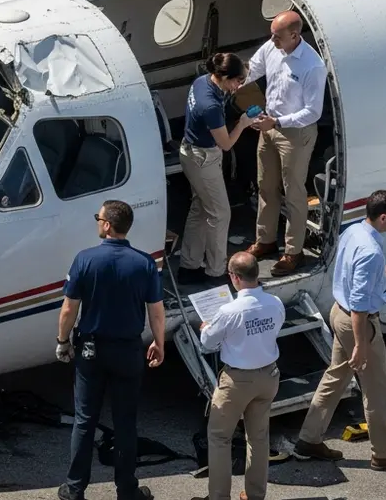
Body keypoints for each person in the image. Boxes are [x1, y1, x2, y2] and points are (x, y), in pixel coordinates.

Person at [293, 189, 386, 472]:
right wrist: (362, 344)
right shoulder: (372, 251)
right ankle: (384, 454)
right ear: (384, 217)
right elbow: (361, 305)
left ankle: (309, 439)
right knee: (377, 390)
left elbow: (357, 268)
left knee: (336, 376)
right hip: (358, 322)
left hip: (338, 313)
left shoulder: (355, 231)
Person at [55, 200, 166, 500]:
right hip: (128, 350)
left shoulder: (85, 260)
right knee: (125, 422)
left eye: (98, 218)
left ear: (106, 225)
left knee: (85, 419)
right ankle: (127, 490)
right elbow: (156, 311)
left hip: (91, 349)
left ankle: (74, 488)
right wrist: (159, 342)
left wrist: (63, 341)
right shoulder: (144, 263)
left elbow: (69, 309)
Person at [242, 10, 328, 277]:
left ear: (294, 35)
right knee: (266, 185)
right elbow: (252, 69)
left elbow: (313, 112)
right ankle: (265, 240)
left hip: (295, 134)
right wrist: (228, 82)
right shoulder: (272, 46)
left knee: (294, 193)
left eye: (277, 36)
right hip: (269, 126)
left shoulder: (312, 66)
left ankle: (294, 252)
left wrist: (277, 123)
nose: (272, 40)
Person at [195, 252, 285, 500]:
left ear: (234, 277)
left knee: (219, 437)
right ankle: (255, 495)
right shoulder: (275, 302)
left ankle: (219, 496)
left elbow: (208, 343)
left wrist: (206, 328)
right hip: (268, 375)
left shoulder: (229, 310)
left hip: (237, 381)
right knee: (258, 437)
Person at [178, 52, 264, 286]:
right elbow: (226, 144)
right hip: (204, 160)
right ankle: (215, 271)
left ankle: (189, 264)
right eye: (237, 81)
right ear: (225, 77)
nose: (238, 86)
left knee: (200, 208)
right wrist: (243, 123)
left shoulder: (201, 82)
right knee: (220, 213)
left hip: (190, 153)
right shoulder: (211, 106)